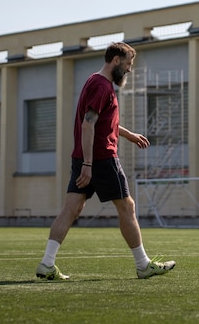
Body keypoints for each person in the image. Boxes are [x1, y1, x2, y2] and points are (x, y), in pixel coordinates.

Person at [36, 42, 176, 280]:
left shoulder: (94, 81)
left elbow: (100, 121)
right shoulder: (102, 86)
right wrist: (90, 165)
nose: (130, 69)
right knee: (127, 206)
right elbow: (88, 124)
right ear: (116, 60)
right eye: (129, 64)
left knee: (71, 208)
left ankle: (47, 263)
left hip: (85, 157)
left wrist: (128, 134)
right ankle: (143, 265)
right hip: (101, 158)